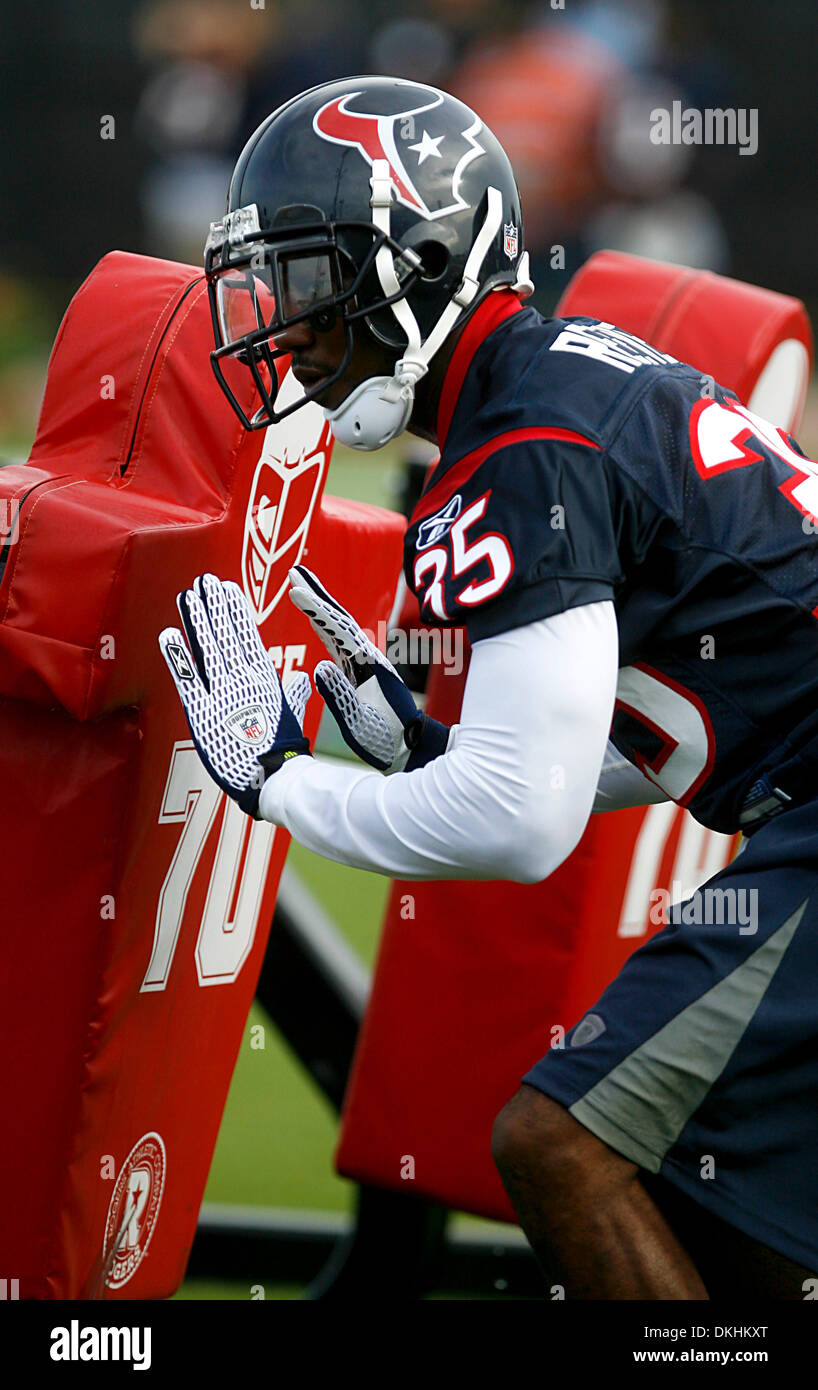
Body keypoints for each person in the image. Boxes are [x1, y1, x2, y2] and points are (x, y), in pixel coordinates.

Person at [159, 76, 818, 1299]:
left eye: (312, 281)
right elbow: (669, 730)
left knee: (561, 1147)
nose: (287, 328)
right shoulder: (554, 383)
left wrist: (277, 779)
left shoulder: (519, 446)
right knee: (705, 1208)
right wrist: (429, 755)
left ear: (415, 259)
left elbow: (520, 822)